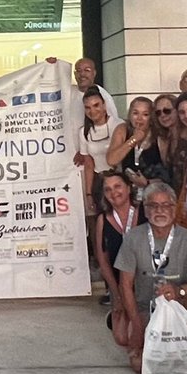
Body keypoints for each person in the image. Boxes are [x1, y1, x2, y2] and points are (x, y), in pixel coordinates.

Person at [111, 181, 187, 374]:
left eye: (166, 205)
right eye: (153, 206)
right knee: (138, 364)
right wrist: (136, 325)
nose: (160, 211)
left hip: (177, 306)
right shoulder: (133, 237)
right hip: (146, 308)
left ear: (174, 209)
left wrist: (179, 290)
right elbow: (125, 285)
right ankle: (150, 342)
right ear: (145, 209)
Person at [96, 170, 140, 348]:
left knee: (141, 335)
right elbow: (103, 260)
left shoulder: (144, 213)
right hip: (120, 285)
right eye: (108, 189)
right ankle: (118, 313)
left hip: (145, 284)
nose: (113, 192)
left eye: (118, 186)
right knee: (123, 339)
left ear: (129, 188)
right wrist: (116, 294)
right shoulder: (103, 220)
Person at [75, 88, 114, 279]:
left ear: (104, 105)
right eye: (88, 107)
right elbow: (89, 163)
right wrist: (89, 193)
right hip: (99, 183)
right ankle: (106, 278)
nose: (93, 110)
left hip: (117, 181)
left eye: (96, 105)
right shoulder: (84, 132)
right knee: (100, 231)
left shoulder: (118, 125)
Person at [107, 96, 169, 195]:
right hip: (127, 193)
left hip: (153, 192)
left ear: (151, 117)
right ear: (130, 115)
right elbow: (111, 160)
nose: (139, 118)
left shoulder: (159, 136)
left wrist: (147, 182)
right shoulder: (122, 129)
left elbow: (168, 173)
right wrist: (133, 139)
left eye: (145, 114)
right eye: (135, 113)